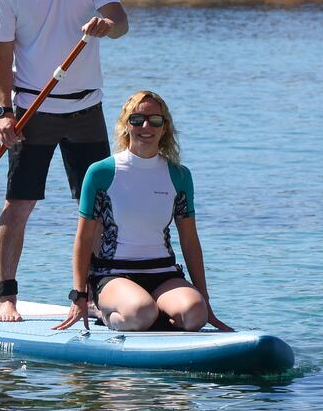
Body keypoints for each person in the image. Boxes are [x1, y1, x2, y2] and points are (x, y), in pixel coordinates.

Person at [0, 0, 129, 322]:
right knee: (19, 203)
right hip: (32, 111)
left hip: (85, 110)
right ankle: (6, 296)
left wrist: (106, 24)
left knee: (97, 206)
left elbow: (120, 21)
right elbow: (1, 55)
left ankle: (88, 296)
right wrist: (3, 113)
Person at [53, 91, 231, 332]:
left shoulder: (179, 176)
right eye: (137, 120)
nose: (146, 126)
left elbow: (189, 241)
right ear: (126, 125)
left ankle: (153, 315)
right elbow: (84, 239)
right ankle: (106, 311)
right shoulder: (101, 172)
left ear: (164, 127)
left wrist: (206, 303)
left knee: (194, 316)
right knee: (139, 312)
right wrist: (79, 296)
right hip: (113, 274)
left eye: (155, 120)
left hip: (163, 274)